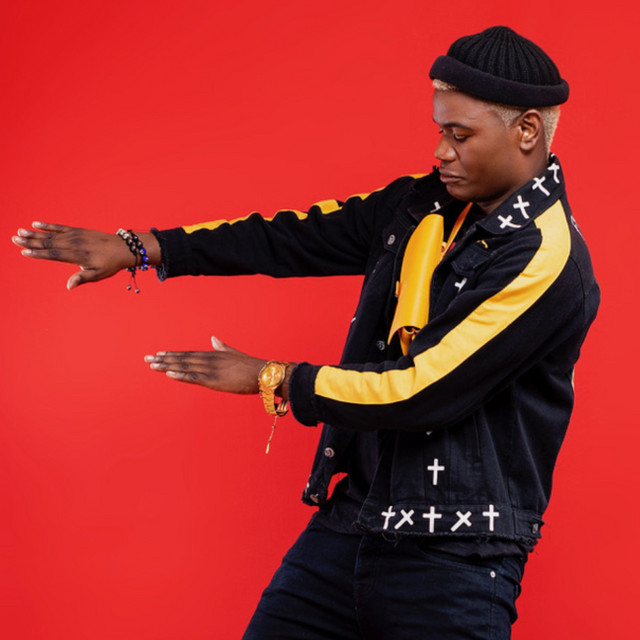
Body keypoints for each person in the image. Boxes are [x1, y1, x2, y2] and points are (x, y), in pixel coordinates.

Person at [12, 26, 599, 640]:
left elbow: (423, 389)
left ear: (526, 131)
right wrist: (145, 248)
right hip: (353, 525)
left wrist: (274, 379)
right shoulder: (421, 206)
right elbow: (292, 235)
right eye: (439, 130)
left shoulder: (545, 258)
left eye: (460, 135)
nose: (440, 151)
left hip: (457, 560)